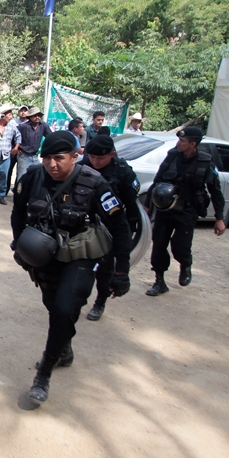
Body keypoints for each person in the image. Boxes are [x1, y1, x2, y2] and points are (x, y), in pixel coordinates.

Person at [10, 131, 131, 407]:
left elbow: (120, 227)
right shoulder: (32, 178)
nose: (52, 164)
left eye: (59, 158)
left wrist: (121, 272)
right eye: (48, 158)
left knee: (66, 308)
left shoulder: (94, 183)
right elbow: (18, 213)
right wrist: (21, 247)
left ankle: (44, 372)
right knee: (55, 308)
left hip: (80, 257)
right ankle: (64, 348)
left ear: (75, 156)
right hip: (44, 257)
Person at [146, 126, 226, 295]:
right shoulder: (172, 157)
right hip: (165, 209)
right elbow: (157, 180)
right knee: (159, 244)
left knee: (180, 246)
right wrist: (148, 205)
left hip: (187, 211)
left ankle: (185, 264)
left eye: (182, 141)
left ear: (193, 144)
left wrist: (219, 218)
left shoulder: (205, 162)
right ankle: (159, 281)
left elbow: (215, 191)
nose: (178, 143)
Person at [79, 135, 140, 320]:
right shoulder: (82, 166)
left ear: (112, 154)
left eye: (100, 158)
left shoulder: (123, 172)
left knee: (105, 269)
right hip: (85, 224)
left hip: (111, 225)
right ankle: (77, 297)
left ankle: (100, 302)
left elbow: (131, 205)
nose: (95, 162)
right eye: (92, 157)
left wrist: (128, 233)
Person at [0, 104, 21, 205]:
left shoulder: (12, 125)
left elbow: (18, 137)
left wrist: (16, 147)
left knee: (4, 176)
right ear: (2, 115)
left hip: (6, 155)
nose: (11, 116)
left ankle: (1, 196)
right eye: (9, 114)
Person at [16, 108, 51, 183]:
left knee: (37, 175)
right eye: (35, 116)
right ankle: (18, 193)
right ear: (30, 117)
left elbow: (50, 137)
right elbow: (13, 135)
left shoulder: (43, 125)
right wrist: (16, 147)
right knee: (22, 177)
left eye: (39, 115)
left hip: (35, 155)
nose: (37, 117)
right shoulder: (23, 126)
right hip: (24, 155)